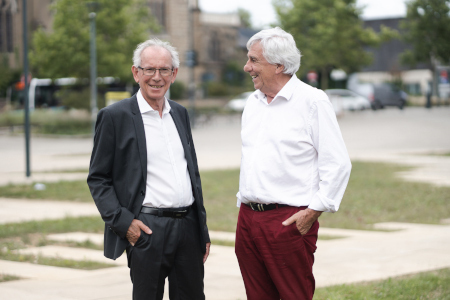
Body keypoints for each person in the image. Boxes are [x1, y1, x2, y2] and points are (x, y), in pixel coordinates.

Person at [87, 38, 210, 300]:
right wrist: (124, 223)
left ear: (174, 74)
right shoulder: (114, 116)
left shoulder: (180, 113)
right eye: (149, 70)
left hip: (187, 228)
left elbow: (193, 175)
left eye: (164, 70)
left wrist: (201, 231)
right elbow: (98, 178)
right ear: (136, 72)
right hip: (147, 229)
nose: (156, 77)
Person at [235, 27, 352, 300]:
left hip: (288, 221)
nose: (246, 67)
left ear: (279, 66)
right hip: (248, 219)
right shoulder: (252, 103)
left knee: (293, 295)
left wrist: (314, 211)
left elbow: (338, 164)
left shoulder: (313, 101)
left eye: (254, 60)